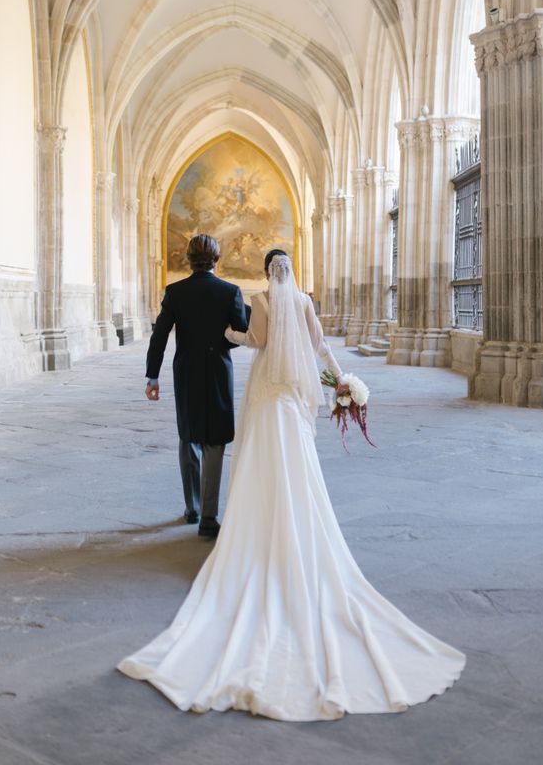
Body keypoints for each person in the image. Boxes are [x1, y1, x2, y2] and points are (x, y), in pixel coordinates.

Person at [120, 250, 465, 720]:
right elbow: (319, 345)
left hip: (267, 391)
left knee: (253, 456)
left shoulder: (260, 299)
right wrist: (342, 380)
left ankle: (234, 521)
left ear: (267, 272)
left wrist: (228, 334)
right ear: (290, 271)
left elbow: (256, 339)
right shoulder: (302, 300)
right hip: (295, 396)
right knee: (298, 465)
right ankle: (296, 524)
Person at [144, 233, 247, 538]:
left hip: (185, 371)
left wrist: (152, 375)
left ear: (187, 259)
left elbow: (159, 335)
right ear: (218, 258)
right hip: (217, 370)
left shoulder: (175, 292)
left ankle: (191, 507)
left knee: (188, 436)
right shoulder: (230, 292)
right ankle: (209, 515)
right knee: (215, 440)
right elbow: (240, 333)